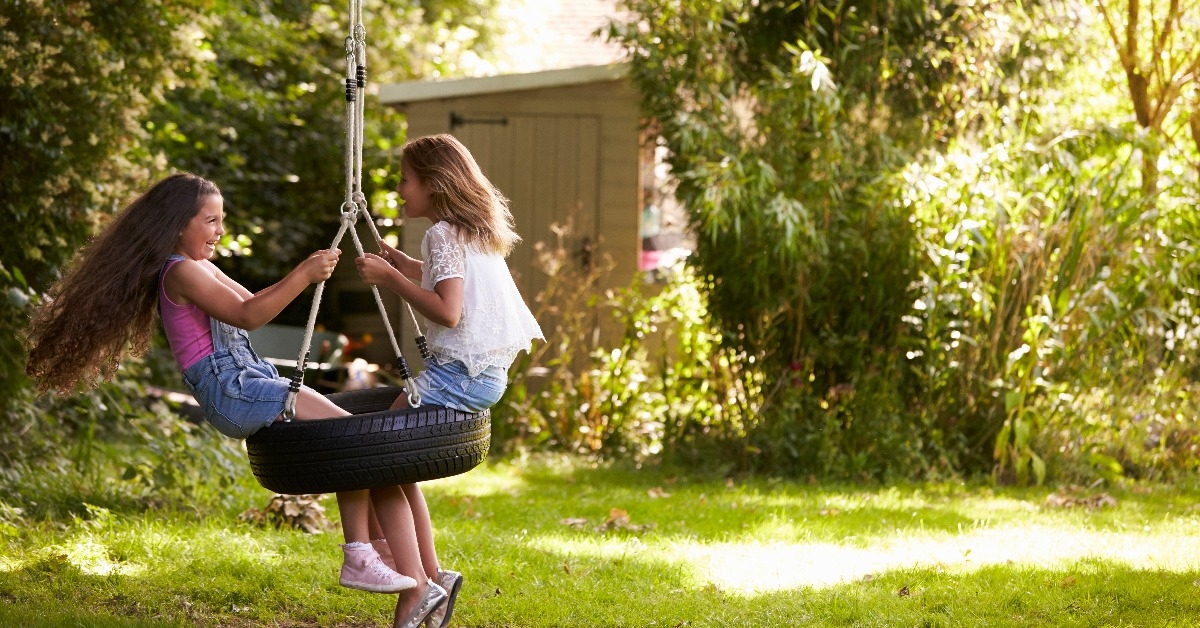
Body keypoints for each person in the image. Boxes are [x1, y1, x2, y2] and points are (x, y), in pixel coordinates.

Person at [23, 173, 448, 628]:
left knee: (357, 444)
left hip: (249, 380)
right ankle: (366, 557)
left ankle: (412, 576)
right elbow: (248, 315)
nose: (219, 230)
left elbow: (253, 302)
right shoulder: (180, 271)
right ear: (176, 225)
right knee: (355, 440)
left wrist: (301, 276)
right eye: (210, 220)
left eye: (221, 220)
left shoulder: (200, 266)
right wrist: (305, 274)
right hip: (232, 391)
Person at [356, 133, 544, 628]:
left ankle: (417, 585)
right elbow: (446, 280)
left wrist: (392, 280)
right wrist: (403, 264)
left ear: (433, 183)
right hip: (481, 375)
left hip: (456, 376)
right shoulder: (469, 231)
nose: (400, 191)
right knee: (396, 470)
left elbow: (449, 309)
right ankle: (433, 575)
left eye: (405, 180)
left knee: (374, 460)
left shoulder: (442, 232)